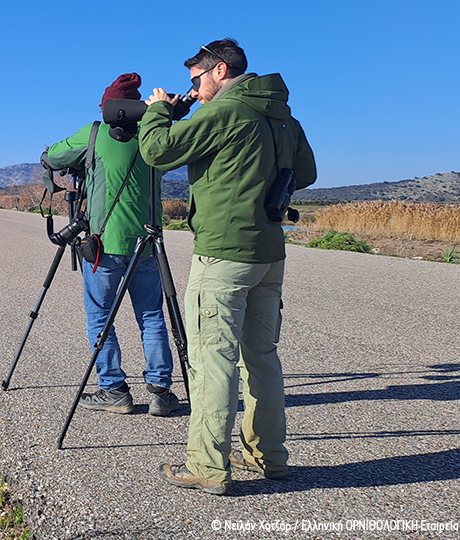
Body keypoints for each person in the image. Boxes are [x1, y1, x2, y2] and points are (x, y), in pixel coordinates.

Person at [137, 39, 316, 494]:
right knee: (262, 357)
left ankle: (207, 466)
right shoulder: (280, 113)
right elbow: (307, 172)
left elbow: (157, 151)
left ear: (219, 71)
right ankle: (268, 455)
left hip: (224, 254)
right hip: (269, 252)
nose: (193, 91)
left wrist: (159, 110)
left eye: (196, 81)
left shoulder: (227, 111)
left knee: (212, 360)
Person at [41, 73, 179, 417]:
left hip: (102, 245)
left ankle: (113, 389)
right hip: (148, 244)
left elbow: (54, 156)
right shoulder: (155, 135)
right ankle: (161, 390)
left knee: (100, 316)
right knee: (151, 316)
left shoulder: (94, 133)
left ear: (109, 109)